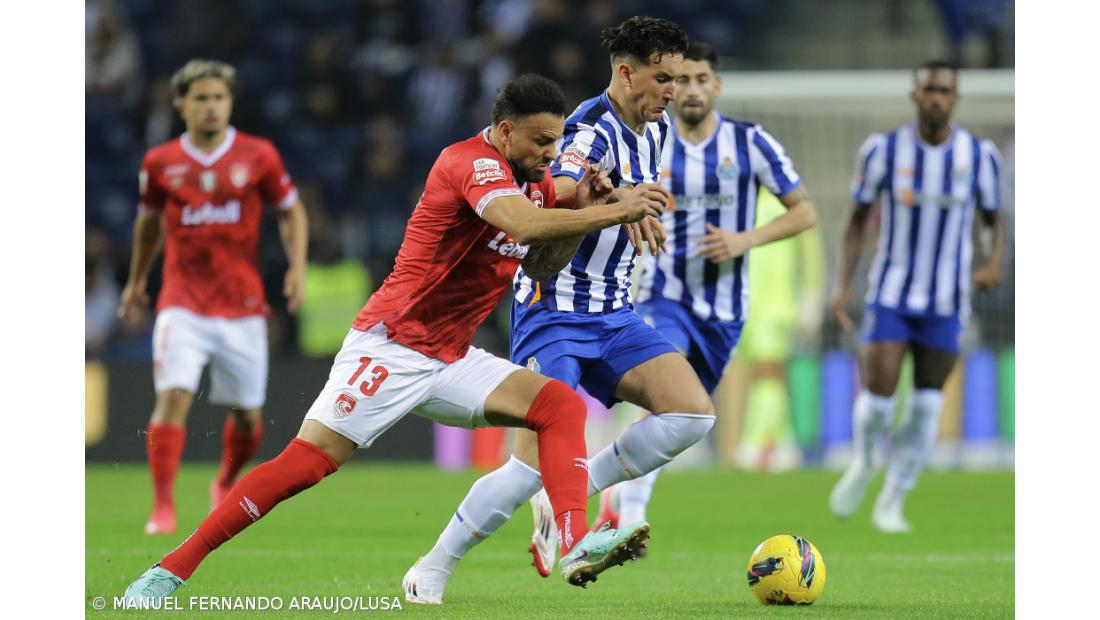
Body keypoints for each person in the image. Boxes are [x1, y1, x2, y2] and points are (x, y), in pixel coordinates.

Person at [123, 73, 666, 604]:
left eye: (557, 141)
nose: (553, 152)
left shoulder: (539, 185)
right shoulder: (469, 162)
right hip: (394, 344)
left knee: (560, 407)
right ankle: (170, 569)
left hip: (452, 356)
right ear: (505, 132)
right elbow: (522, 226)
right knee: (304, 465)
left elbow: (542, 263)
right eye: (543, 140)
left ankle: (574, 544)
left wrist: (583, 212)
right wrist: (617, 208)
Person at [402, 17, 711, 606]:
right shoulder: (587, 128)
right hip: (555, 311)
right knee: (528, 467)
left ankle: (572, 489)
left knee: (693, 415)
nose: (674, 91)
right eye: (663, 77)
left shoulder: (658, 128)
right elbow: (555, 191)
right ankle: (433, 568)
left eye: (677, 79)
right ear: (626, 71)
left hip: (614, 312)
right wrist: (622, 201)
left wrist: (629, 204)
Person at [599, 41, 817, 531]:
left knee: (681, 421)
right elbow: (609, 194)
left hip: (723, 312)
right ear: (670, 90)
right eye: (683, 81)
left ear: (716, 87)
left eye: (702, 80)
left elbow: (804, 211)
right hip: (662, 295)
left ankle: (615, 492)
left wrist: (746, 239)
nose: (692, 90)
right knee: (665, 396)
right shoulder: (649, 141)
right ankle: (624, 514)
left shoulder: (751, 143)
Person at [118, 59, 309, 536]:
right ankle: (163, 506)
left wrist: (297, 267)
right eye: (201, 98)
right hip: (182, 301)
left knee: (246, 418)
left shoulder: (258, 155)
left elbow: (291, 212)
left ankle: (224, 480)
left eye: (219, 98)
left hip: (242, 306)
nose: (210, 106)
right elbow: (147, 225)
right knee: (173, 394)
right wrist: (137, 279)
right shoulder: (160, 163)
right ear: (181, 105)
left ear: (230, 103)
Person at [829, 60, 1005, 533]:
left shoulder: (979, 155)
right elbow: (854, 219)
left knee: (927, 404)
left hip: (947, 301)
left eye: (944, 90)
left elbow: (993, 218)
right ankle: (866, 462)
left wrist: (991, 263)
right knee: (881, 400)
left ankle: (894, 498)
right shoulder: (884, 151)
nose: (936, 98)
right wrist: (843, 283)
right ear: (915, 95)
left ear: (954, 98)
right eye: (928, 89)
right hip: (891, 294)